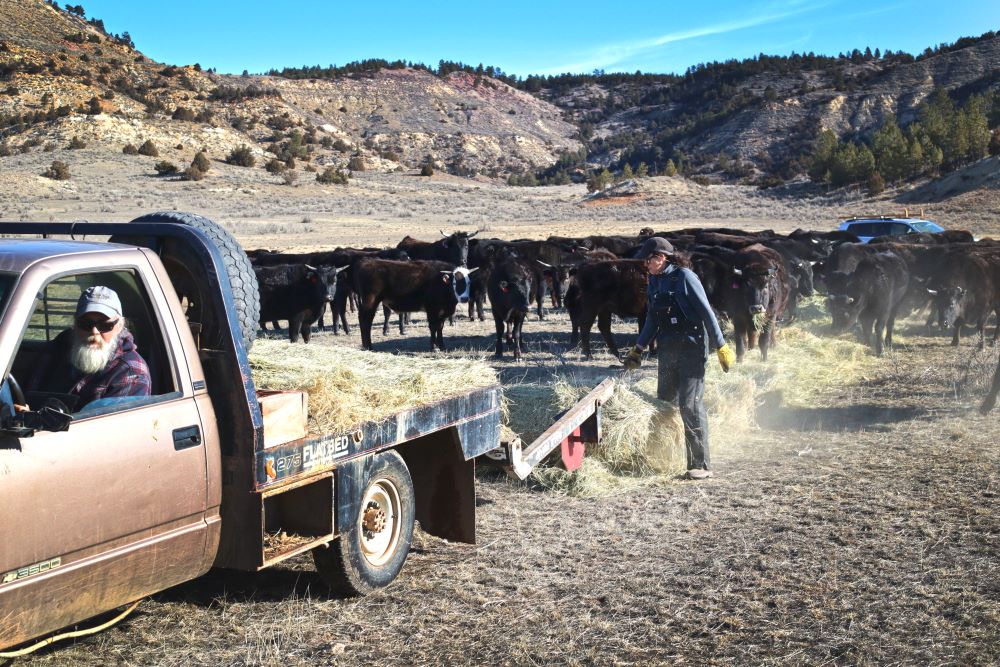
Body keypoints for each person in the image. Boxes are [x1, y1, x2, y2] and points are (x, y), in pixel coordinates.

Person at [623, 237, 736, 480]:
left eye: (648, 260)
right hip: (668, 349)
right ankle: (668, 455)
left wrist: (721, 346)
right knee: (665, 402)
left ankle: (700, 465)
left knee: (690, 404)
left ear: (660, 258)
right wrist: (638, 348)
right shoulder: (654, 280)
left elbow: (707, 312)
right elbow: (653, 318)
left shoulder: (685, 278)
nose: (645, 265)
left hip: (692, 349)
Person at [27, 285, 151, 409]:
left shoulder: (131, 372)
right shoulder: (58, 348)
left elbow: (115, 426)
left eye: (104, 325)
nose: (94, 331)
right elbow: (30, 391)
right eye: (86, 324)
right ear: (75, 324)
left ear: (119, 326)